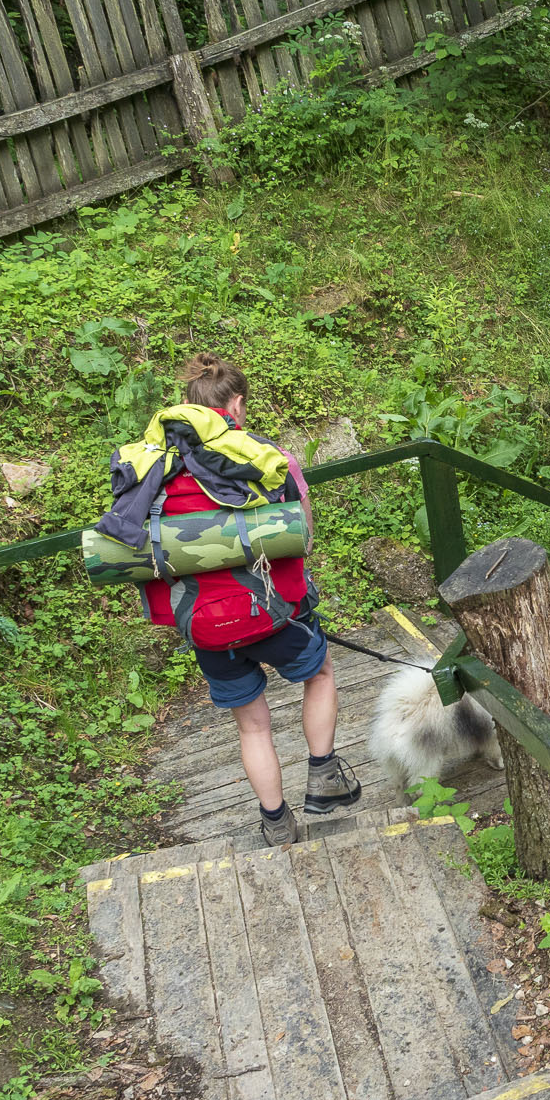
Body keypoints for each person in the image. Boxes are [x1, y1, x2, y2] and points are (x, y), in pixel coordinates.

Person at [141, 354, 359, 846]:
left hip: (204, 625)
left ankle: (276, 824)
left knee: (253, 729)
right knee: (320, 674)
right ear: (236, 405)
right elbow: (301, 536)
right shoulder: (263, 455)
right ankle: (323, 774)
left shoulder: (156, 466)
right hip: (274, 612)